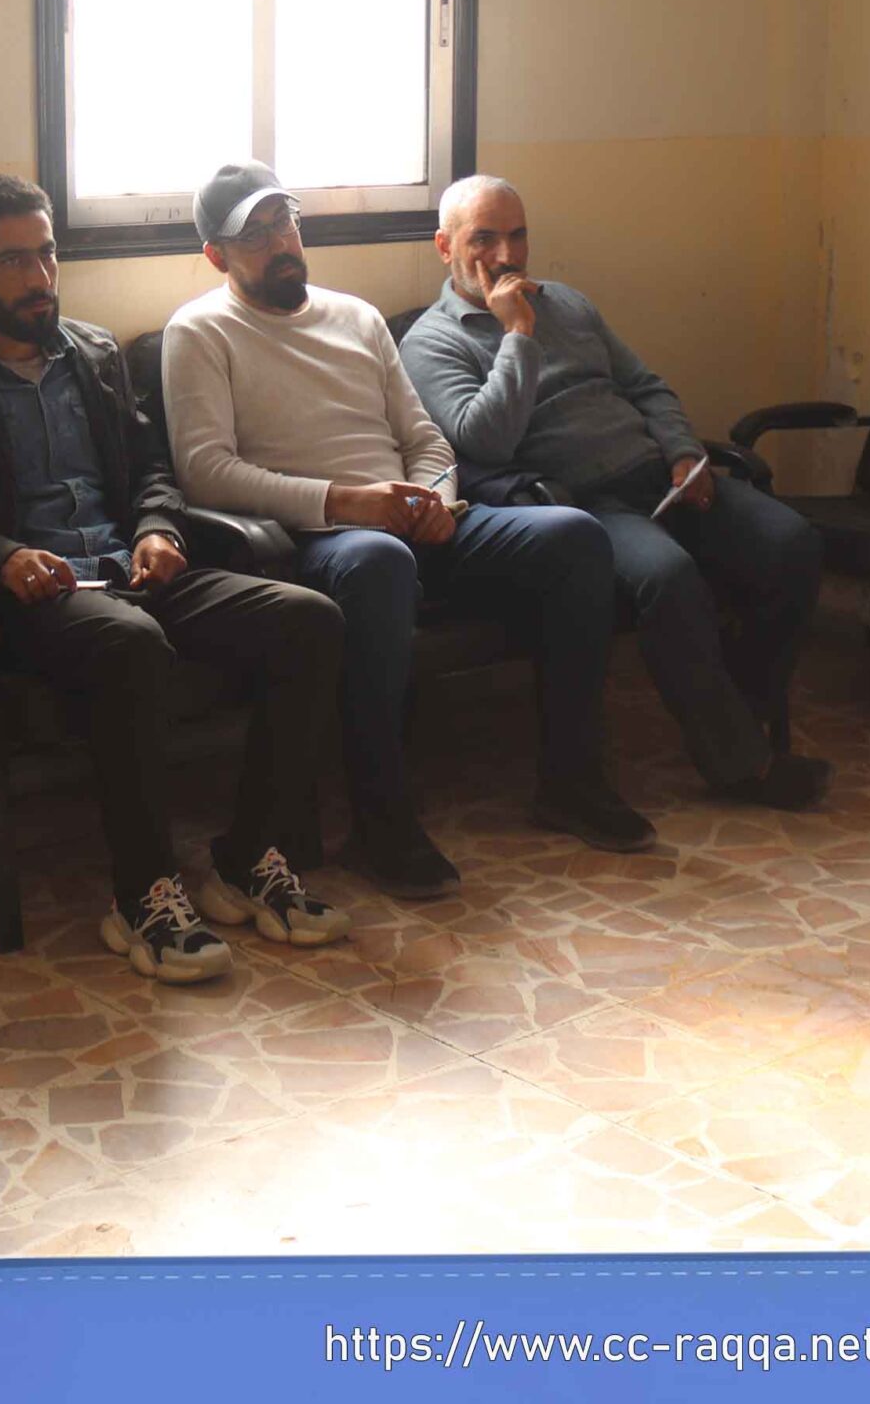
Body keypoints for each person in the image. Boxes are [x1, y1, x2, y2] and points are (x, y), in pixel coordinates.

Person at [0, 174, 350, 984]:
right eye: (14, 261)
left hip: (131, 569)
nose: (40, 277)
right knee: (132, 643)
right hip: (31, 596)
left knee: (309, 618)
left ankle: (246, 856)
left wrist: (158, 527)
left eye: (47, 253)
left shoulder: (92, 353)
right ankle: (143, 894)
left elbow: (152, 466)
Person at [160, 160, 651, 899]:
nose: (279, 242)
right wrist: (347, 502)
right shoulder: (199, 331)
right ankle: (381, 823)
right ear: (216, 255)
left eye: (284, 221)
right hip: (319, 538)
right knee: (378, 562)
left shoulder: (355, 317)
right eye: (253, 235)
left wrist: (436, 499)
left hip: (415, 519)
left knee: (575, 536)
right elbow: (206, 472)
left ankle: (571, 781)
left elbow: (425, 439)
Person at [398, 176, 830, 809]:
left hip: (660, 475)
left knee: (793, 544)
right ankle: (742, 764)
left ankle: (737, 709)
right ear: (445, 247)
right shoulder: (431, 342)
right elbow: (485, 442)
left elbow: (646, 386)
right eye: (483, 239)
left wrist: (685, 453)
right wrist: (517, 335)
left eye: (517, 235)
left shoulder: (569, 304)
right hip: (583, 502)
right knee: (669, 577)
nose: (506, 255)